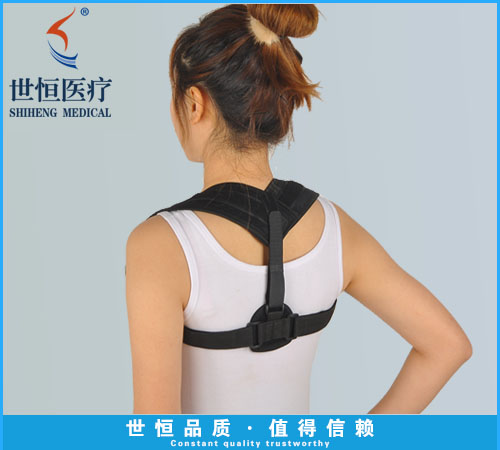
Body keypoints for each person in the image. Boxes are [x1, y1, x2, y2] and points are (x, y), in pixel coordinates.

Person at [125, 4, 472, 414]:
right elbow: (447, 345)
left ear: (194, 103)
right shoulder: (334, 228)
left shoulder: (160, 245)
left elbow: (154, 432)